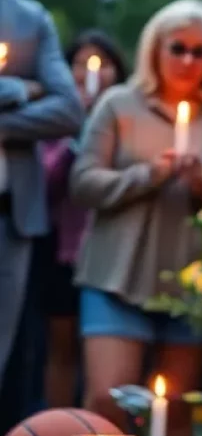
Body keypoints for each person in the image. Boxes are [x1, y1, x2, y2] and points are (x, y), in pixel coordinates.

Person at [71, 0, 202, 436]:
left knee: (175, 407)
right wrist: (145, 177)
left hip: (191, 284)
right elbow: (83, 183)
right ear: (155, 48)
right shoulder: (119, 105)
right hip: (118, 272)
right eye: (178, 48)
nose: (189, 61)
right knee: (106, 400)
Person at [0, 0, 84, 434]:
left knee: (9, 361)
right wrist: (17, 88)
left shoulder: (29, 20)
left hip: (11, 216)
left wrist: (8, 97)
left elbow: (68, 110)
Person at [38, 30, 129, 408]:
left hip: (113, 252)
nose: (91, 71)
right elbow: (48, 180)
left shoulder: (126, 116)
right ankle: (55, 427)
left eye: (103, 63)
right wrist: (77, 132)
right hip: (64, 248)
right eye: (81, 62)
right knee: (61, 347)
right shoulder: (56, 117)